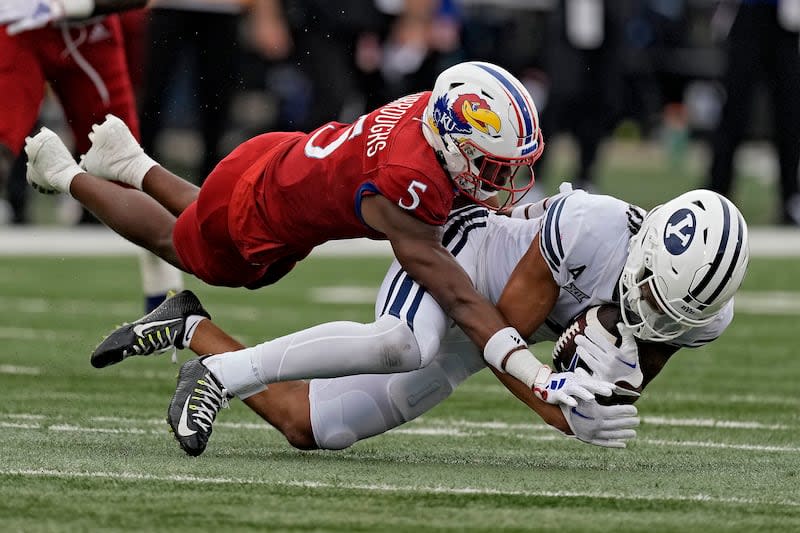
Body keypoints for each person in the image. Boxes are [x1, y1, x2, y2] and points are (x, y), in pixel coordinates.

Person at [26, 60, 622, 455]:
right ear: (449, 140)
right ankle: (67, 174)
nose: (501, 181)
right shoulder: (408, 180)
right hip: (266, 204)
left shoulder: (434, 131)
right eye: (491, 167)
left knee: (197, 225)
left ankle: (130, 164)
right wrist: (536, 374)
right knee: (181, 246)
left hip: (282, 170)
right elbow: (461, 298)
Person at [90, 186, 749, 456]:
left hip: (509, 330)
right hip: (463, 270)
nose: (653, 313)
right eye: (653, 295)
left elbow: (624, 380)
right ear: (646, 250)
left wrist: (596, 403)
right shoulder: (590, 228)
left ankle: (188, 326)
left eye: (672, 313)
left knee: (316, 427)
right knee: (401, 341)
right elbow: (501, 331)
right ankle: (224, 370)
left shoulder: (698, 316)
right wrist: (560, 398)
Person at [0, 0, 184, 312]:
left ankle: (167, 305)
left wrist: (68, 5)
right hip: (18, 24)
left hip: (88, 30)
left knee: (128, 169)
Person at [707, 0, 800, 225]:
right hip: (746, 12)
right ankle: (715, 196)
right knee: (734, 111)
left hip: (786, 20)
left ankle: (791, 197)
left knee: (789, 114)